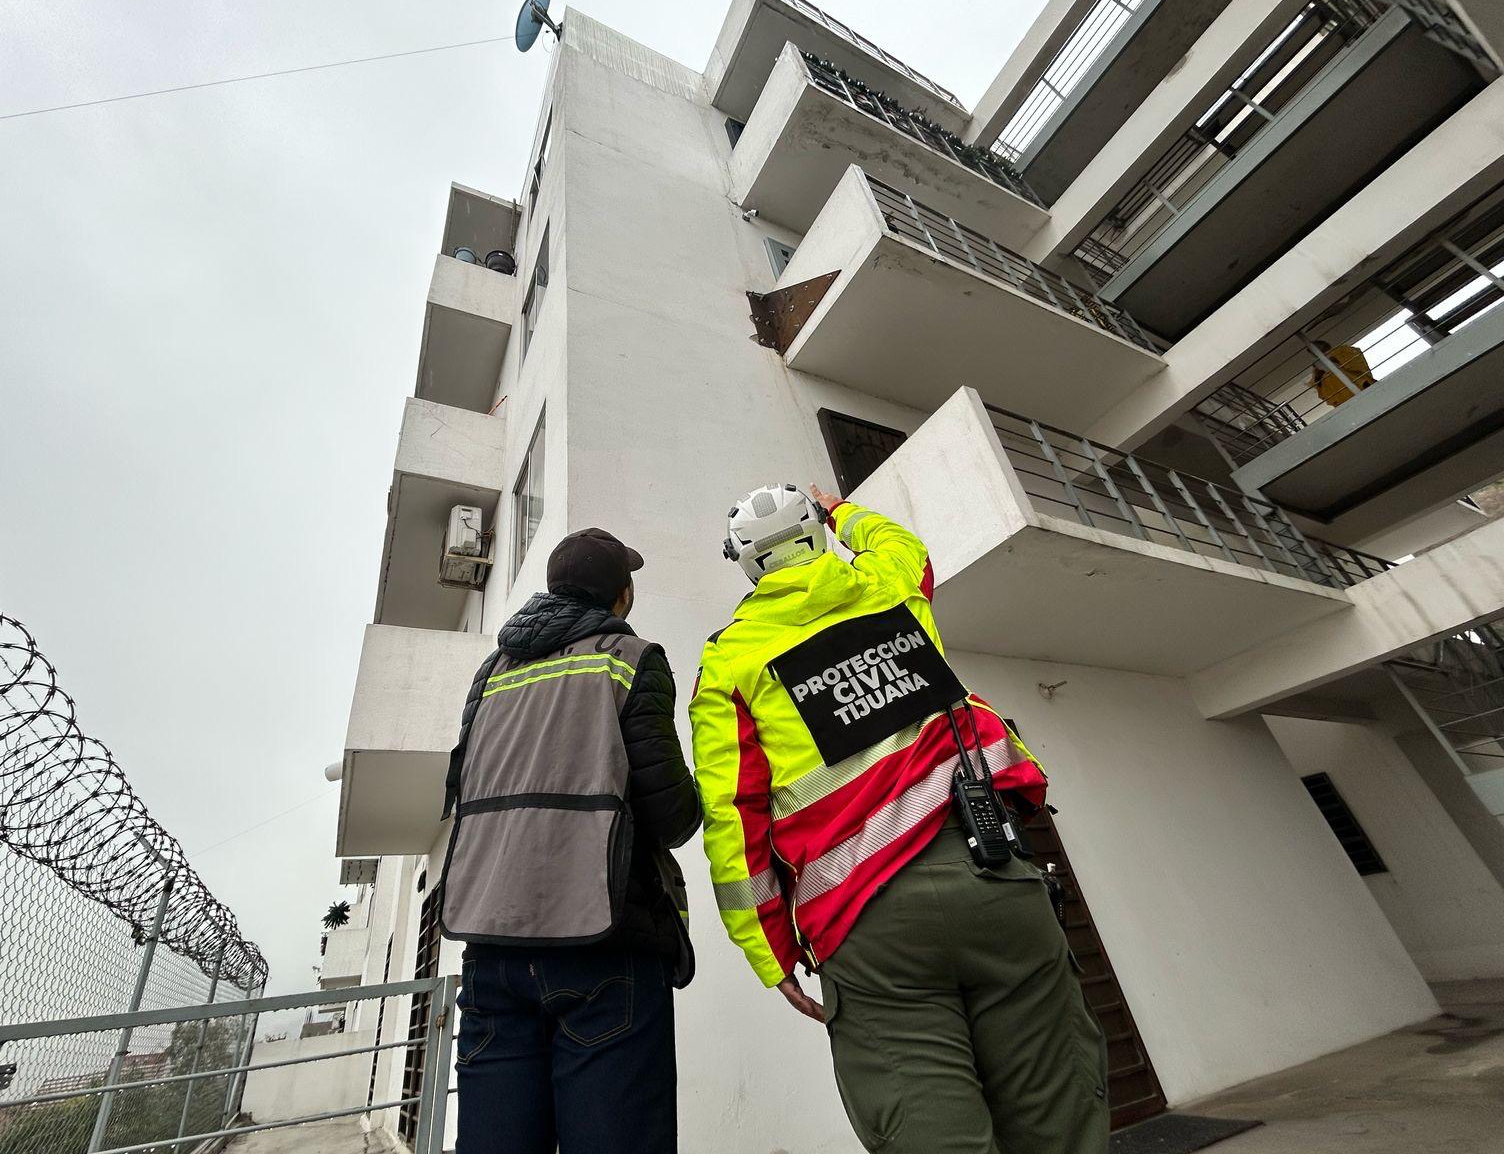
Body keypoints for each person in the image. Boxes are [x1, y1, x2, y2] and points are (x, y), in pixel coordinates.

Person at [690, 483, 1108, 1154]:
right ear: (818, 533)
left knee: (928, 1130)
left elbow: (733, 822)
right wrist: (840, 509)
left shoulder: (727, 664)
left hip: (862, 924)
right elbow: (902, 545)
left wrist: (773, 953)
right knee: (1056, 1113)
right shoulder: (887, 587)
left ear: (744, 562)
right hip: (993, 873)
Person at [439, 527, 702, 1154]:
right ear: (620, 596)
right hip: (602, 948)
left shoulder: (491, 674)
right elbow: (671, 818)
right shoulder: (632, 658)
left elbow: (458, 790)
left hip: (490, 952)